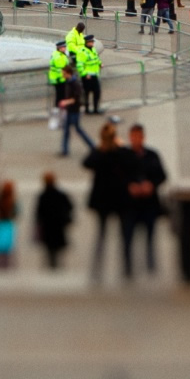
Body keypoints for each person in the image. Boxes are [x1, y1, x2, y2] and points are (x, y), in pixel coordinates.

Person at [82, 122, 129, 287]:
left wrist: (98, 147)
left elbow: (86, 162)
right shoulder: (121, 153)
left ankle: (97, 268)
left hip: (102, 200)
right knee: (123, 235)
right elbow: (132, 161)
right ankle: (126, 268)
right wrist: (121, 145)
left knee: (101, 235)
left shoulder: (99, 154)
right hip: (119, 198)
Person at [120, 123, 167, 282]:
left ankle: (150, 264)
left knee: (150, 236)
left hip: (148, 204)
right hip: (129, 204)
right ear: (130, 137)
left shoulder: (152, 155)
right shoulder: (124, 156)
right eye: (133, 136)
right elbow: (117, 176)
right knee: (127, 237)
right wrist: (129, 185)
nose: (136, 139)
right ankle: (127, 266)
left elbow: (162, 175)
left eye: (139, 136)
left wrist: (151, 185)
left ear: (143, 137)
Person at [33, 170, 74, 269]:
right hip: (59, 224)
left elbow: (38, 212)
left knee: (49, 246)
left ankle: (52, 263)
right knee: (58, 245)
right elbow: (70, 206)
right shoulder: (60, 194)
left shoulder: (43, 196)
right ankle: (57, 264)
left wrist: (38, 222)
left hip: (48, 225)